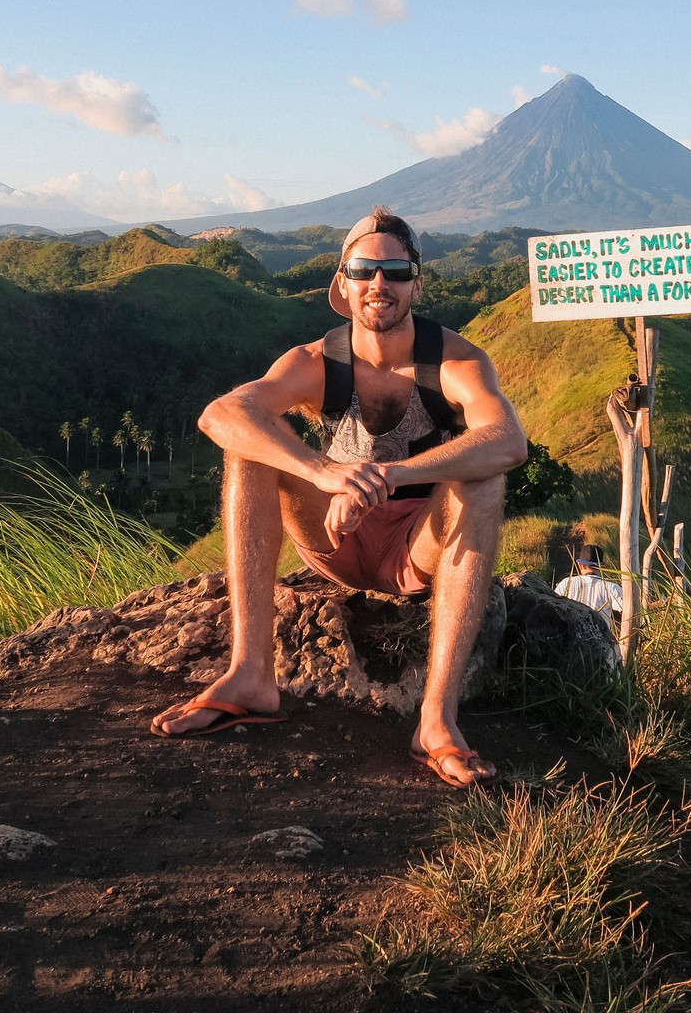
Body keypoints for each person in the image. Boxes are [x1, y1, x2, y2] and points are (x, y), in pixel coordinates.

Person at [150, 206, 528, 788]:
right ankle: (251, 673)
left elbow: (506, 441)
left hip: (415, 550)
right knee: (249, 448)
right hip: (334, 539)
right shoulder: (317, 362)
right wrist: (323, 471)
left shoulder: (454, 361)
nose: (381, 283)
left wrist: (389, 476)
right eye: (365, 270)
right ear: (343, 284)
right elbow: (222, 414)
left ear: (417, 284)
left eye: (397, 271)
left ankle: (436, 719)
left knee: (483, 478)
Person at [553, 544, 621, 630]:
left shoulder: (566, 583)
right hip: (601, 639)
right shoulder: (611, 587)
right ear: (602, 566)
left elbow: (554, 608)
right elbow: (627, 611)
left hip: (572, 636)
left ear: (579, 564)